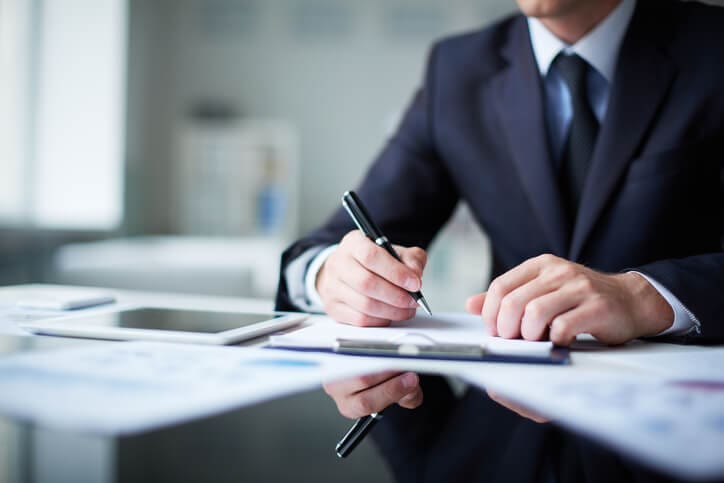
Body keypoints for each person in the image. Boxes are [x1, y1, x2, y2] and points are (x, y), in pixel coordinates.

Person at [276, 0, 724, 480]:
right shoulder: (458, 68)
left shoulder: (713, 48)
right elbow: (328, 246)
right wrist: (333, 275)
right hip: (501, 434)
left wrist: (645, 297)